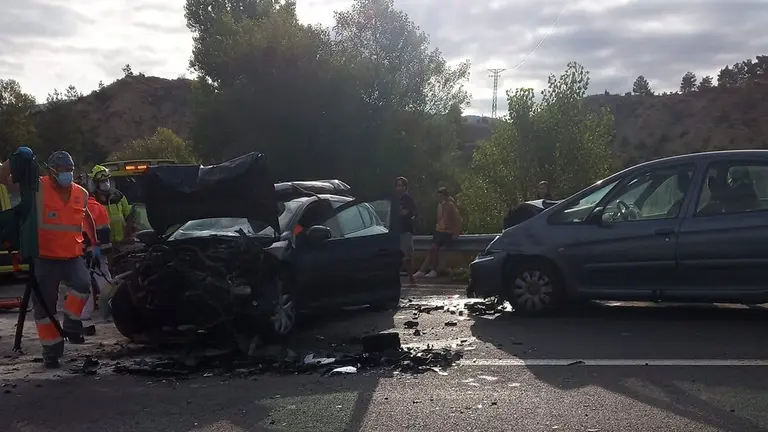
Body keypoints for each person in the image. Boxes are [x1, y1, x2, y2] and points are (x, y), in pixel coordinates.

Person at [0, 150, 100, 369]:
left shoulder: (81, 193)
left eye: (70, 170)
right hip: (45, 258)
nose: (67, 174)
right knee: (44, 308)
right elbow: (3, 178)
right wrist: (13, 160)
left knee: (83, 285)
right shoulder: (36, 187)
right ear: (51, 171)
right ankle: (52, 352)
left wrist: (94, 243)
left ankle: (71, 322)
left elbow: (86, 216)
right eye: (63, 170)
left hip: (72, 256)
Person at [75, 174, 114, 321]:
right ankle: (110, 311)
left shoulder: (83, 207)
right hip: (101, 248)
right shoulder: (98, 206)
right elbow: (105, 229)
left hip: (90, 250)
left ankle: (85, 313)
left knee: (86, 281)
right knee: (104, 278)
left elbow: (84, 232)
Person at [414, 187, 461, 279]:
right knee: (432, 249)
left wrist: (456, 232)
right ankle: (423, 270)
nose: (439, 197)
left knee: (433, 248)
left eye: (441, 196)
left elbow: (457, 219)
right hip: (439, 231)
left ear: (445, 196)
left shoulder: (450, 205)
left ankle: (432, 270)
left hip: (448, 232)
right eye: (438, 196)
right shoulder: (439, 205)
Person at [90, 165, 134, 246]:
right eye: (102, 181)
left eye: (107, 180)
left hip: (122, 242)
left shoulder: (118, 195)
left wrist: (129, 234)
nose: (106, 183)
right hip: (104, 244)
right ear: (96, 183)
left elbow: (128, 215)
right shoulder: (93, 200)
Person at [394, 177, 417, 285]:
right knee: (397, 256)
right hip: (395, 230)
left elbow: (405, 213)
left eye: (401, 185)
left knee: (407, 256)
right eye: (397, 185)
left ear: (405, 187)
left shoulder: (408, 199)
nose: (399, 188)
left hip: (406, 230)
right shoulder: (394, 199)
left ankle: (411, 278)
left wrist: (397, 212)